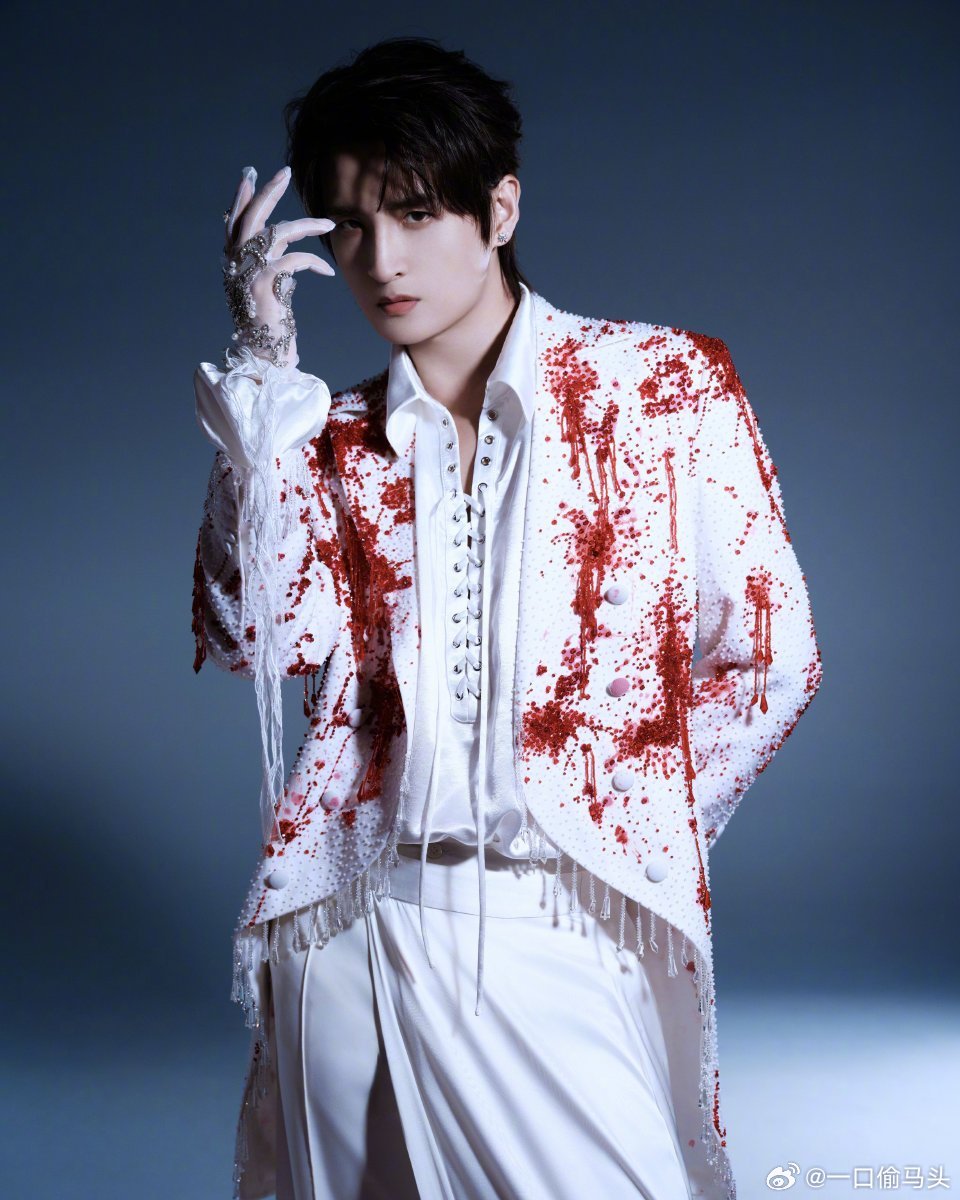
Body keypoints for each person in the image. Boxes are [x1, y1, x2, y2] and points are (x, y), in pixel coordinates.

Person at [191, 36, 823, 1200]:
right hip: (353, 946)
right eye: (349, 226)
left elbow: (772, 657)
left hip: (556, 930)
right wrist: (263, 369)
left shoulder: (658, 387)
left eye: (414, 213)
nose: (382, 259)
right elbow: (255, 638)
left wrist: (624, 826)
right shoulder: (328, 440)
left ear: (500, 208)